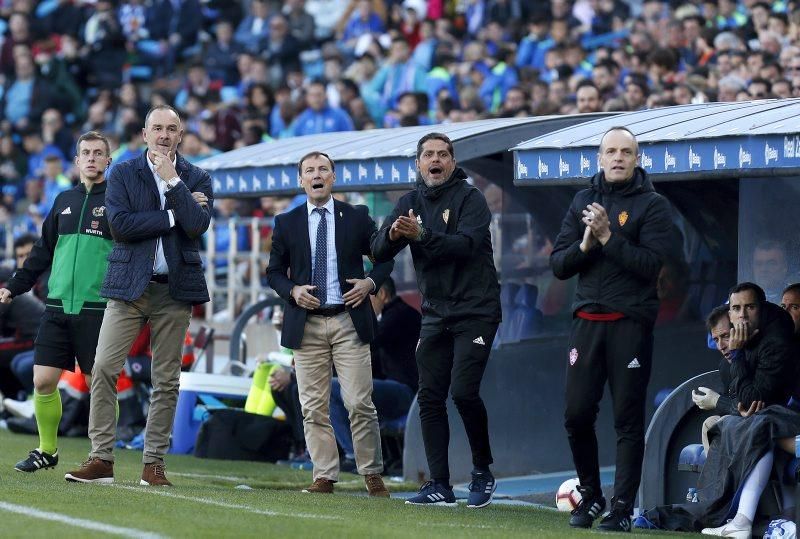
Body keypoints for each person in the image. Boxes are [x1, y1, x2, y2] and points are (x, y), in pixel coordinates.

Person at [64, 105, 213, 486]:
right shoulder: (124, 173)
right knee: (103, 368)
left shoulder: (197, 177)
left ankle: (154, 464)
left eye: (172, 129)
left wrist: (175, 184)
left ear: (180, 135)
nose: (164, 135)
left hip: (175, 290)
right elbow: (121, 226)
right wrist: (172, 216)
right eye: (157, 128)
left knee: (167, 379)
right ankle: (100, 459)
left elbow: (198, 227)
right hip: (129, 287)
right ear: (145, 134)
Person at [550, 126, 674, 531]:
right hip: (587, 321)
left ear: (637, 159)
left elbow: (651, 265)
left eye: (626, 152)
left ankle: (621, 508)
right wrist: (585, 246)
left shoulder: (652, 205)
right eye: (611, 151)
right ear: (599, 159)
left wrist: (607, 236)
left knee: (627, 419)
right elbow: (559, 265)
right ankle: (591, 495)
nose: (618, 158)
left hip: (629, 323)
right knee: (575, 414)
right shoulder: (582, 200)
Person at [371, 132, 502, 509]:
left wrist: (422, 234)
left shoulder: (470, 198)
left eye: (443, 154)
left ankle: (482, 471)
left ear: (452, 161)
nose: (436, 160)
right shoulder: (409, 202)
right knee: (429, 396)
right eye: (428, 154)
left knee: (462, 391)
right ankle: (439, 484)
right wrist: (393, 234)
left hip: (476, 310)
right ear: (418, 163)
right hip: (435, 313)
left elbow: (465, 246)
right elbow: (378, 250)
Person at [266, 150, 393, 497]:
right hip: (306, 324)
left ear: (333, 177)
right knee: (312, 406)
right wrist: (292, 291)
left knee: (359, 402)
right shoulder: (286, 222)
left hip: (348, 320)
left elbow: (384, 258)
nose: (317, 174)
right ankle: (324, 475)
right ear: (301, 179)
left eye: (323, 168)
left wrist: (370, 283)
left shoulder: (356, 216)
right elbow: (273, 272)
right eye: (310, 170)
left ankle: (371, 472)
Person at [0, 132, 113, 473]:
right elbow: (42, 251)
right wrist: (14, 286)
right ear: (76, 162)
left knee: (99, 386)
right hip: (57, 306)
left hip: (98, 307)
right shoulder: (64, 199)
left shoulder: (118, 202)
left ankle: (102, 453)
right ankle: (47, 450)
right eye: (85, 153)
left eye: (98, 153)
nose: (92, 158)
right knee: (43, 381)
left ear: (108, 161)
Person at [330, 276, 421, 470]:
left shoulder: (399, 315)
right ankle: (355, 453)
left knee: (332, 387)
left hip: (407, 394)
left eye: (363, 298)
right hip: (396, 390)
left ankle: (353, 455)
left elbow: (367, 344)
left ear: (381, 294)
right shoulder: (393, 316)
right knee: (337, 387)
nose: (360, 305)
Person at [0, 234, 45, 401]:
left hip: (44, 338)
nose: (25, 260)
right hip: (27, 338)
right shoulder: (15, 282)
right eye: (20, 256)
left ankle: (22, 400)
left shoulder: (48, 281)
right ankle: (16, 400)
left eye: (29, 254)